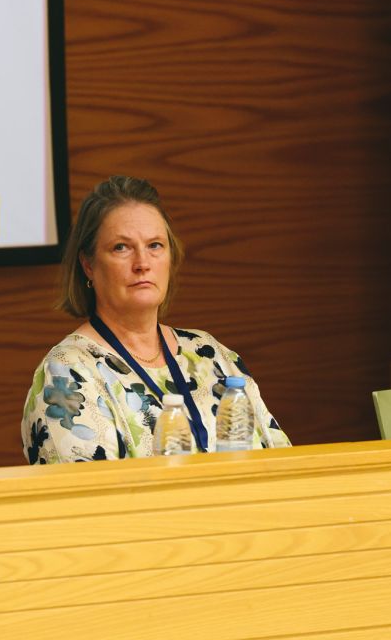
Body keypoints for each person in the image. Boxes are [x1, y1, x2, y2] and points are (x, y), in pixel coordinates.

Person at [22, 175, 288, 463]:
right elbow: (88, 490)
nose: (142, 263)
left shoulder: (210, 353)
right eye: (121, 247)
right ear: (88, 264)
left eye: (155, 245)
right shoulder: (66, 371)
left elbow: (281, 461)